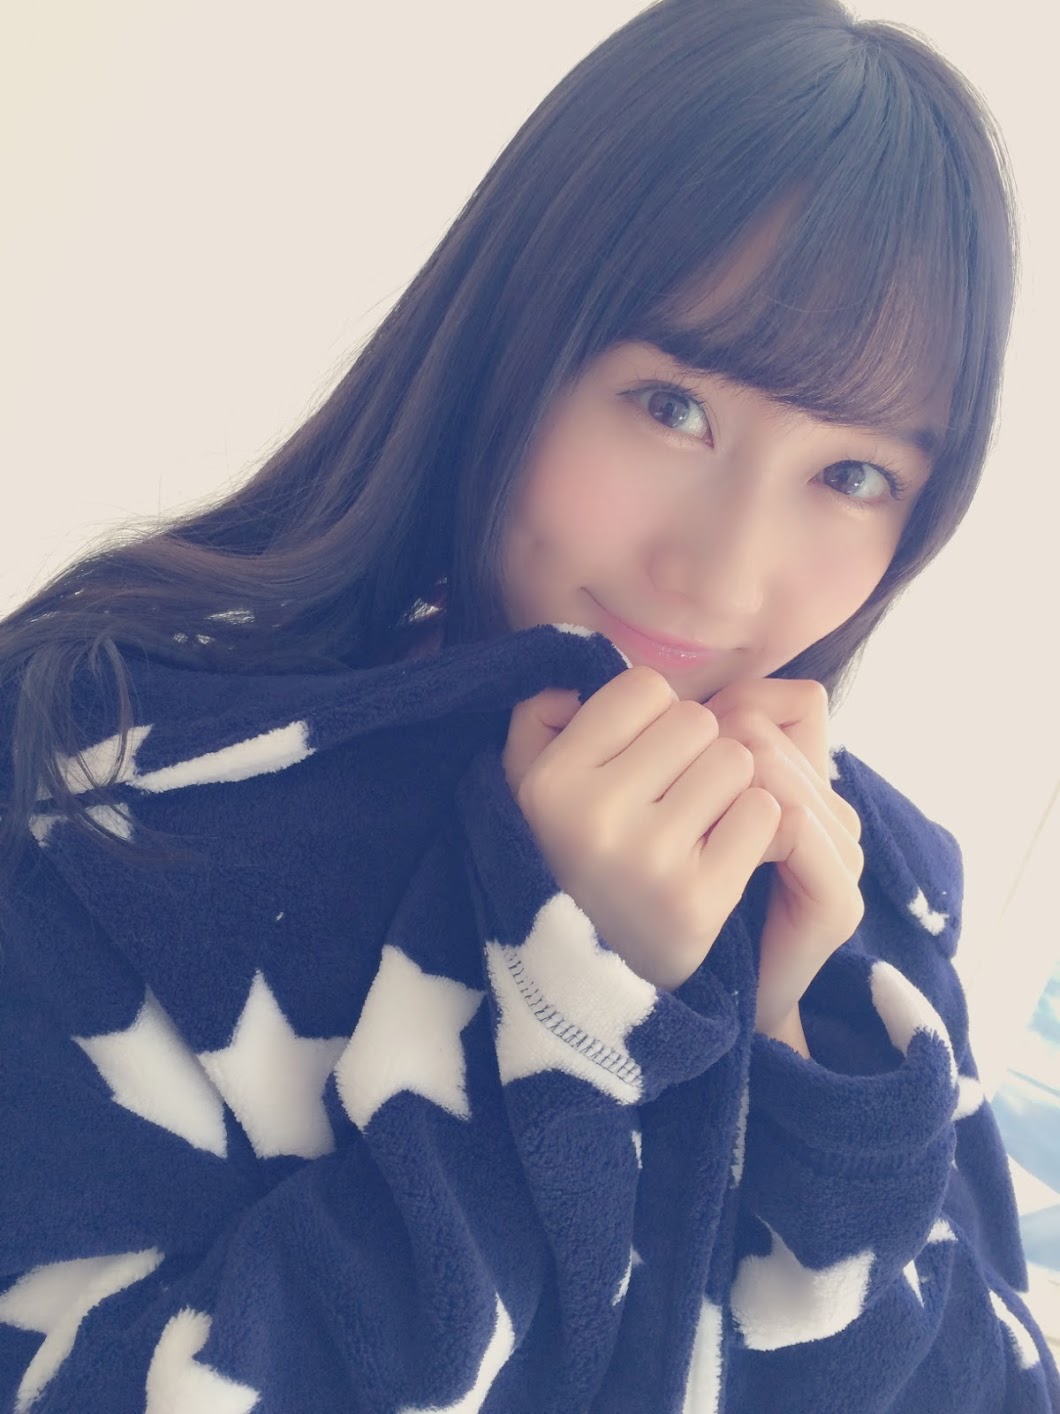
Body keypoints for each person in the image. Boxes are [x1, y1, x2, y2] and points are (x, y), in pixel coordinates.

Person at [0, 0, 1055, 1409]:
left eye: (853, 475)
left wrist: (803, 1038)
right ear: (516, 337)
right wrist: (573, 1012)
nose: (724, 573)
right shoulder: (116, 791)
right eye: (672, 405)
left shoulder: (875, 885)